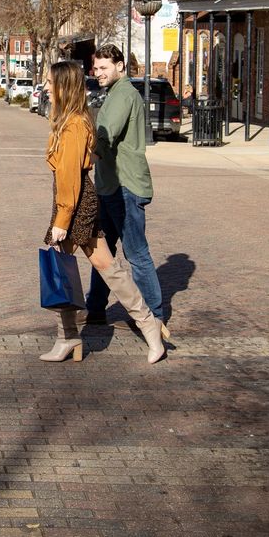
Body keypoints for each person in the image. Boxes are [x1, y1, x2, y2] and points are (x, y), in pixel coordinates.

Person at [40, 60, 166, 364]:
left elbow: (70, 175)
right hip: (72, 203)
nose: (44, 87)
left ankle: (150, 327)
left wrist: (61, 220)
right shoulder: (69, 121)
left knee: (106, 268)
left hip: (76, 205)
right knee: (62, 274)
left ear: (62, 86)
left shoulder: (73, 126)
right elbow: (86, 160)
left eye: (48, 82)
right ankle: (67, 339)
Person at [85, 45, 170, 335]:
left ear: (121, 66)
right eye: (96, 69)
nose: (98, 73)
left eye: (104, 67)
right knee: (102, 251)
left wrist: (83, 161)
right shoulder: (114, 93)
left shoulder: (122, 94)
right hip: (111, 185)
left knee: (136, 253)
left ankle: (154, 317)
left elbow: (104, 137)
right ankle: (95, 309)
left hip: (125, 187)